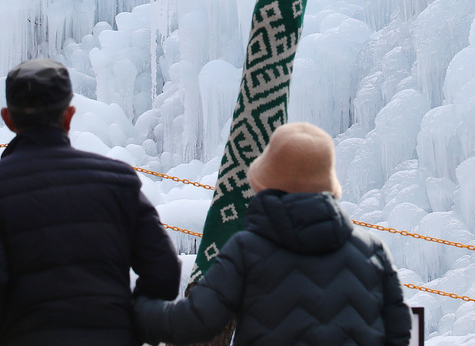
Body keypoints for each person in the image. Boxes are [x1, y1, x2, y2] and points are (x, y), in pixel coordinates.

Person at [0, 58, 181, 346]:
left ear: (8, 119)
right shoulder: (119, 180)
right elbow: (164, 270)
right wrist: (131, 325)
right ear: (69, 115)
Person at [133, 122, 411, 346]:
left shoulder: (247, 249)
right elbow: (399, 330)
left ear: (268, 181)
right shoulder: (372, 249)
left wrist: (140, 312)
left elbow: (195, 321)